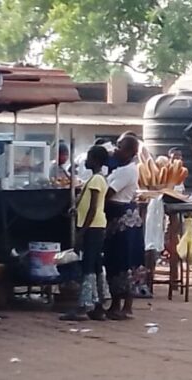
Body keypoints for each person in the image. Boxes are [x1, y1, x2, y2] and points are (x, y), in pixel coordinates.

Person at [60, 145, 110, 322]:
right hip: (96, 227)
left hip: (93, 228)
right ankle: (98, 307)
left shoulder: (96, 180)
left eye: (89, 158)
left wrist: (82, 231)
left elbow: (93, 208)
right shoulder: (97, 179)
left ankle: (84, 306)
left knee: (88, 266)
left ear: (95, 160)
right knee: (95, 265)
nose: (86, 161)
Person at [103, 136, 144, 319]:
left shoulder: (127, 171)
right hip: (117, 220)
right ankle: (115, 303)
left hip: (123, 221)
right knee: (114, 261)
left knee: (125, 262)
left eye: (120, 147)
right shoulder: (120, 169)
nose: (115, 150)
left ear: (129, 152)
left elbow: (107, 193)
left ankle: (126, 305)